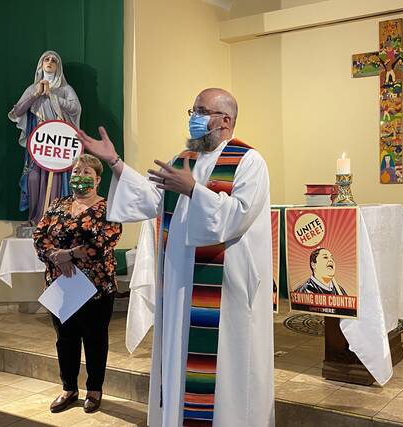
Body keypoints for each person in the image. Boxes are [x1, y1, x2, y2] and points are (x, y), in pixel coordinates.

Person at [77, 88, 274, 426]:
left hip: (223, 295)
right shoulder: (185, 158)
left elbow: (236, 216)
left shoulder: (248, 162)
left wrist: (193, 190)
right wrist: (115, 162)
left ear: (225, 120)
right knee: (180, 369)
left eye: (201, 110)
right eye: (192, 110)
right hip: (181, 289)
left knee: (226, 374)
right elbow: (150, 197)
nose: (193, 117)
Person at [32, 154, 122, 414]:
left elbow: (103, 242)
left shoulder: (109, 208)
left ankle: (94, 389)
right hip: (60, 284)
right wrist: (54, 256)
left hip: (95, 287)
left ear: (97, 179)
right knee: (65, 338)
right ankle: (68, 387)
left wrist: (67, 254)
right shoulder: (58, 204)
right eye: (75, 172)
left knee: (95, 339)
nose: (79, 176)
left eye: (86, 172)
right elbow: (40, 235)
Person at [10, 50, 81, 224]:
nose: (49, 62)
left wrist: (52, 95)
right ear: (40, 64)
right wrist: (36, 94)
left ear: (58, 66)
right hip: (38, 140)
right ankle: (36, 219)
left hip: (57, 142)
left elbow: (75, 109)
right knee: (33, 179)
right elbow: (17, 111)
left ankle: (56, 220)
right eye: (46, 59)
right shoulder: (32, 89)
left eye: (54, 60)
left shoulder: (65, 89)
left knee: (57, 181)